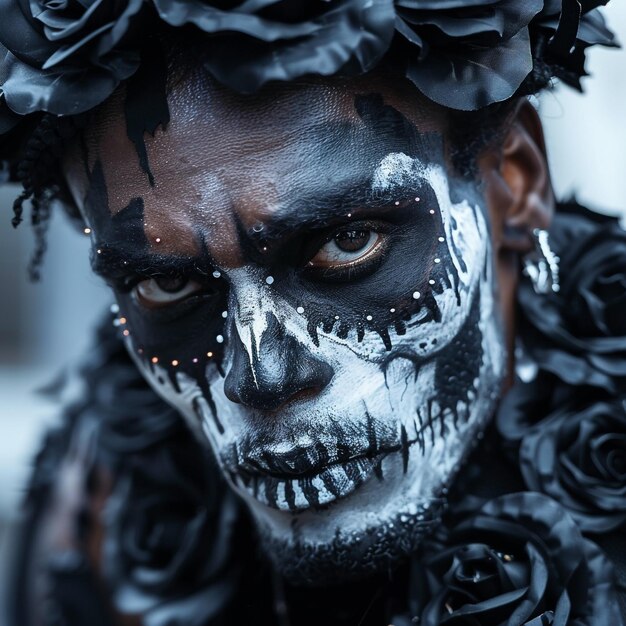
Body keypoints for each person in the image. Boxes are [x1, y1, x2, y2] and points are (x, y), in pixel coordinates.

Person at [2, 2, 625, 625]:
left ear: (515, 184)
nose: (263, 376)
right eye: (165, 283)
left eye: (347, 244)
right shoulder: (93, 516)